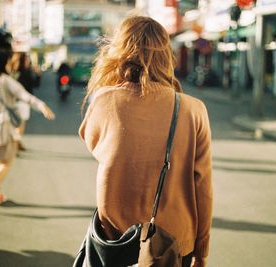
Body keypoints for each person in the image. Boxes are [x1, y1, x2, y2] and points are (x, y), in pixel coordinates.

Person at [79, 16, 213, 267]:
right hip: (174, 245)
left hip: (115, 239)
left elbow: (93, 141)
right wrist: (201, 250)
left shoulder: (103, 100)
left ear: (118, 51)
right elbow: (203, 187)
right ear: (166, 55)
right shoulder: (194, 110)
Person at [0, 50, 55, 212]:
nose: (10, 64)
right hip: (2, 127)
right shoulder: (6, 81)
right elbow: (25, 96)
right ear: (2, 63)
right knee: (7, 160)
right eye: (8, 62)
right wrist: (42, 106)